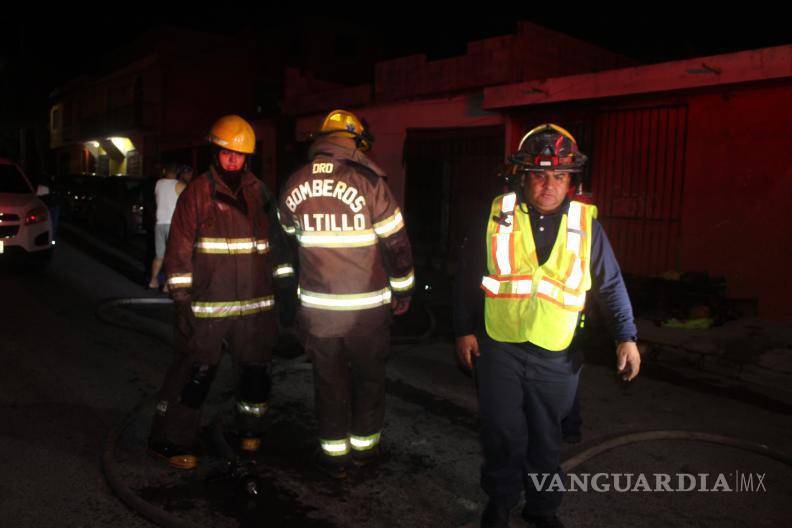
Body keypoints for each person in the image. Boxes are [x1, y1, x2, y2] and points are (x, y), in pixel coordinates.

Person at [452, 124, 641, 528]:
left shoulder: (587, 224)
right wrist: (463, 328)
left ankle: (541, 508)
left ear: (572, 180)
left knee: (545, 436)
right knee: (502, 432)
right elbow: (468, 274)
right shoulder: (497, 216)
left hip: (557, 352)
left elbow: (610, 283)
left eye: (559, 176)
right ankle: (500, 502)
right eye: (540, 175)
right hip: (498, 346)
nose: (549, 185)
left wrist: (626, 336)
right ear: (523, 176)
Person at [148, 115, 295, 469]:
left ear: (248, 158)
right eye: (227, 152)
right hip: (209, 308)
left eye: (239, 155)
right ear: (216, 152)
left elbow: (277, 246)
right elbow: (179, 251)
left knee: (256, 375)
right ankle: (170, 440)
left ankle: (250, 432)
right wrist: (181, 301)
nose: (233, 160)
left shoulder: (260, 193)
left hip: (255, 308)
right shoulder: (196, 194)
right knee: (195, 374)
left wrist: (285, 294)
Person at [278, 109, 414, 479]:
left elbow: (289, 241)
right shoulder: (370, 183)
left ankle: (333, 457)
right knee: (369, 381)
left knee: (328, 382)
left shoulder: (294, 183)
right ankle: (364, 453)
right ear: (356, 143)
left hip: (318, 314)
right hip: (367, 314)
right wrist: (403, 291)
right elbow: (397, 244)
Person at [148, 164, 187, 291]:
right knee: (172, 256)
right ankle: (166, 285)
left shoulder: (158, 184)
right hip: (173, 224)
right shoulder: (180, 185)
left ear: (165, 171)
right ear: (177, 172)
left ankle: (153, 281)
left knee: (159, 255)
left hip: (159, 224)